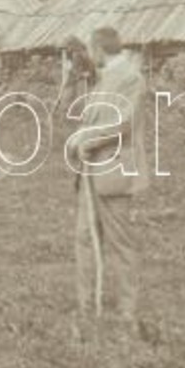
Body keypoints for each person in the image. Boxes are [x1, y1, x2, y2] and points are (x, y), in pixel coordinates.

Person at [72, 27, 150, 330]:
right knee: (84, 240)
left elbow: (123, 122)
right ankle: (86, 306)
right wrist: (79, 141)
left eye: (91, 50)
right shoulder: (102, 79)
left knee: (120, 243)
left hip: (115, 169)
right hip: (90, 171)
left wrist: (87, 143)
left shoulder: (131, 78)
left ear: (98, 48)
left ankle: (126, 312)